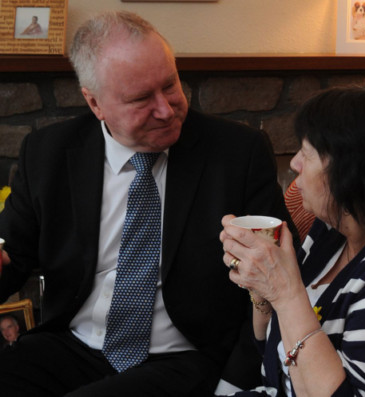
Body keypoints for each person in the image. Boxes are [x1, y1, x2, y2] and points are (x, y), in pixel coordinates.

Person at [0, 10, 295, 396]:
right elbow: (12, 254)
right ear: (95, 104)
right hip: (74, 344)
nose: (166, 109)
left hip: (185, 354)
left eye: (170, 85)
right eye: (141, 98)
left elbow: (278, 275)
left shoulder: (237, 153)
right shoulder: (49, 152)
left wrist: (235, 382)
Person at [220, 83, 365, 396]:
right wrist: (261, 287)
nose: (294, 164)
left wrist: (284, 289)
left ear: (349, 170)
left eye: (306, 153)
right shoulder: (329, 234)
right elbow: (271, 354)